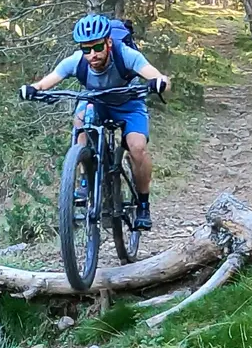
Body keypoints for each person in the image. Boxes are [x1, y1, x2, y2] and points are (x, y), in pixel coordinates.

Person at [19, 13, 171, 231]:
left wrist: (160, 83)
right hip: (96, 101)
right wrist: (32, 89)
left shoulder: (126, 55)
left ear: (108, 42)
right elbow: (47, 81)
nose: (92, 54)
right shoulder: (77, 61)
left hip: (128, 104)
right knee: (80, 118)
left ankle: (143, 205)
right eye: (86, 49)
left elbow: (156, 75)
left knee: (137, 149)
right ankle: (83, 179)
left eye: (98, 47)